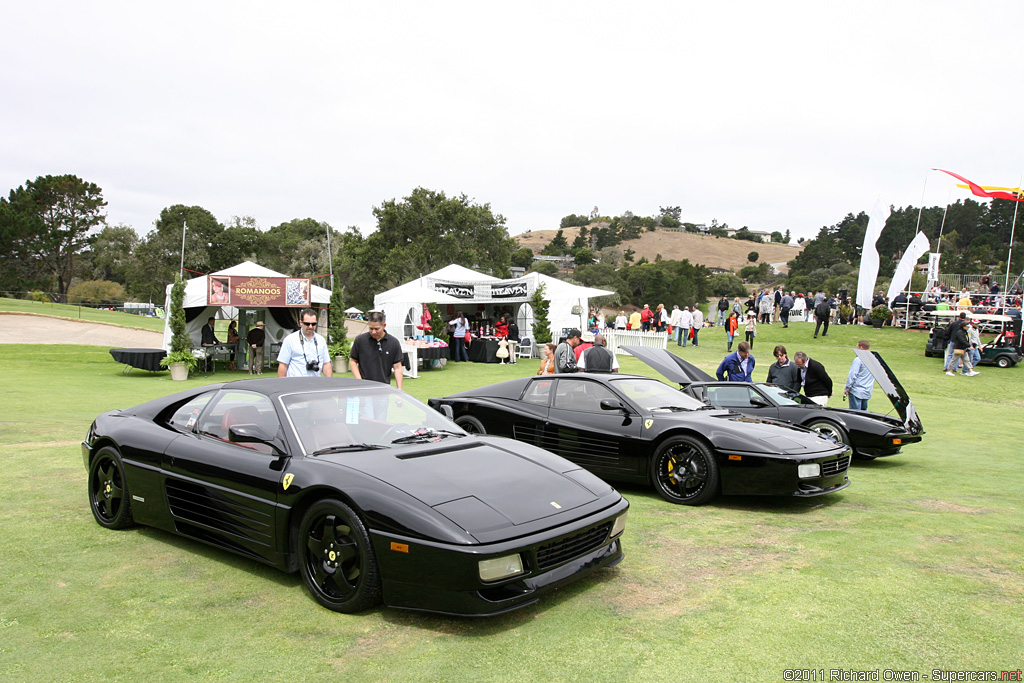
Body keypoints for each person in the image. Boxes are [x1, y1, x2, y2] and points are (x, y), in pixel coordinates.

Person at [349, 311, 402, 388]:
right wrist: (359, 381)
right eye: (371, 328)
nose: (373, 332)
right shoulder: (360, 340)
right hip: (364, 388)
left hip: (384, 388)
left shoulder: (393, 342)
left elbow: (397, 367)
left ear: (384, 326)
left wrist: (399, 389)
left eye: (377, 329)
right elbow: (353, 361)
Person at [277, 309, 333, 378]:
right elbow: (283, 365)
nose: (310, 326)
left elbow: (326, 364)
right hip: (295, 385)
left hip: (315, 384)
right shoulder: (290, 340)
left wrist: (329, 384)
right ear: (301, 323)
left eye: (313, 324)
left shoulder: (321, 340)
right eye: (307, 324)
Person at [844, 340, 875, 410]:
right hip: (867, 391)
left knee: (855, 414)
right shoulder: (874, 359)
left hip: (856, 390)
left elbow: (852, 374)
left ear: (861, 347)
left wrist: (847, 388)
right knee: (864, 414)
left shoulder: (858, 359)